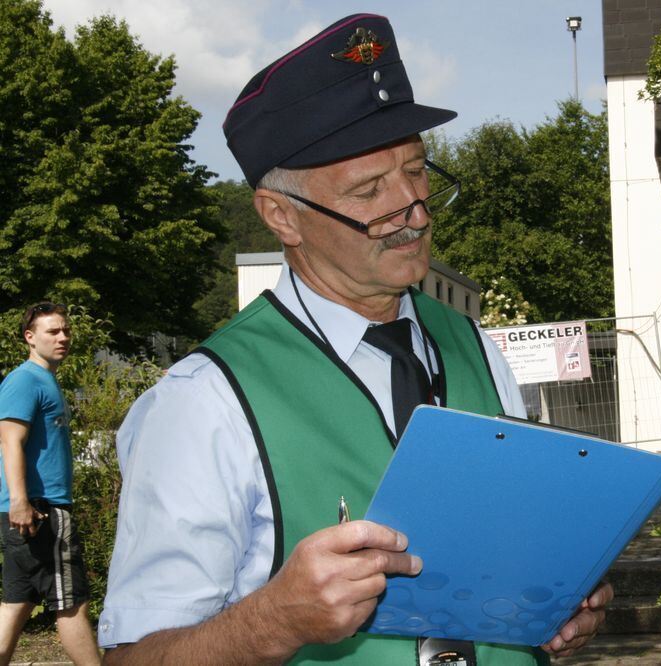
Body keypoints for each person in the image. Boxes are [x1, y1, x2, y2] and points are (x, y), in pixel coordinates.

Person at [99, 13, 612, 665]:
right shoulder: (203, 401)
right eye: (371, 190)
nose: (416, 212)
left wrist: (555, 602)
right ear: (281, 215)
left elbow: (512, 566)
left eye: (418, 170)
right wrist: (269, 624)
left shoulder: (475, 347)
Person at [0, 303, 101, 666]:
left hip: (35, 508)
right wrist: (20, 501)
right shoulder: (25, 380)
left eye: (65, 331)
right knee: (71, 603)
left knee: (16, 603)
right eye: (52, 332)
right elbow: (9, 440)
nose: (62, 337)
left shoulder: (46, 380)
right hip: (40, 510)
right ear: (30, 338)